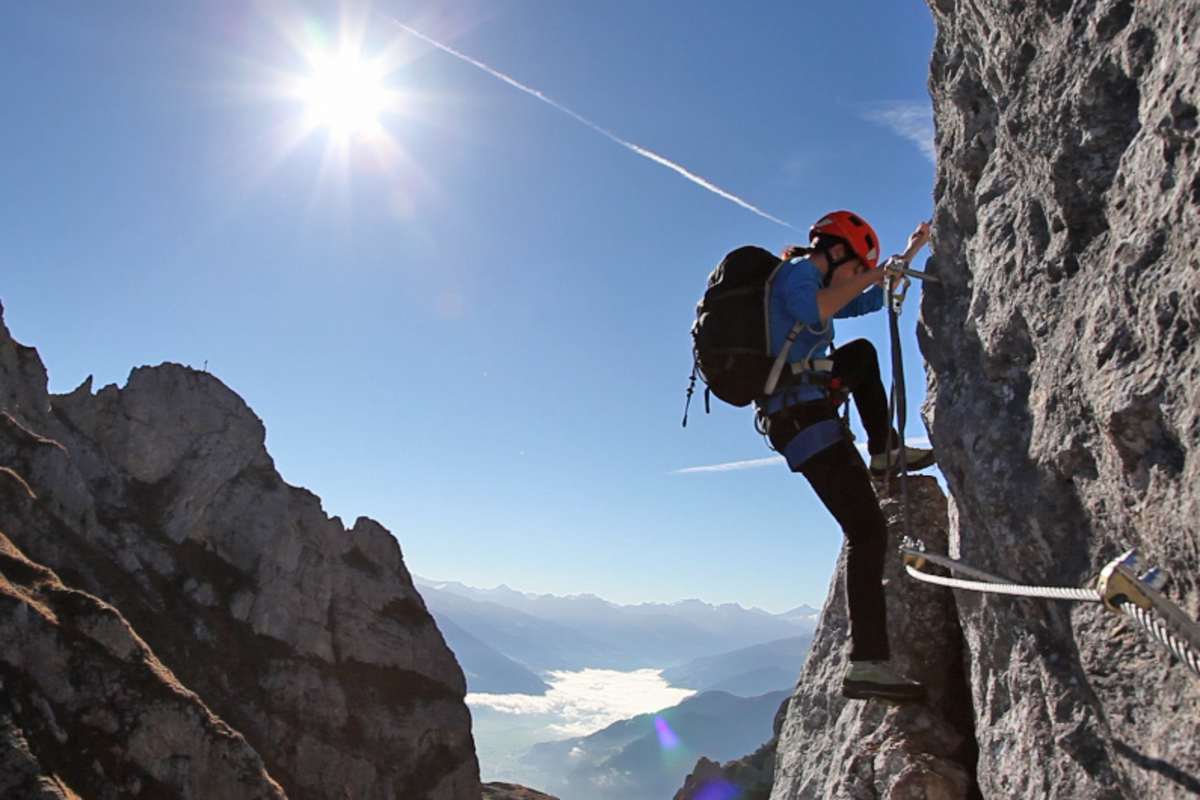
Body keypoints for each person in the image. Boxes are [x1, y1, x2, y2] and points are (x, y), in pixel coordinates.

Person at [757, 210, 935, 702]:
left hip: (809, 410)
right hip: (801, 421)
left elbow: (867, 299)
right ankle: (868, 664)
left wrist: (912, 250)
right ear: (835, 253)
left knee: (859, 354)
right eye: (856, 267)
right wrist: (874, 273)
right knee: (866, 531)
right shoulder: (796, 276)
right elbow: (818, 309)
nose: (858, 277)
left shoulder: (820, 280)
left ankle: (885, 452)